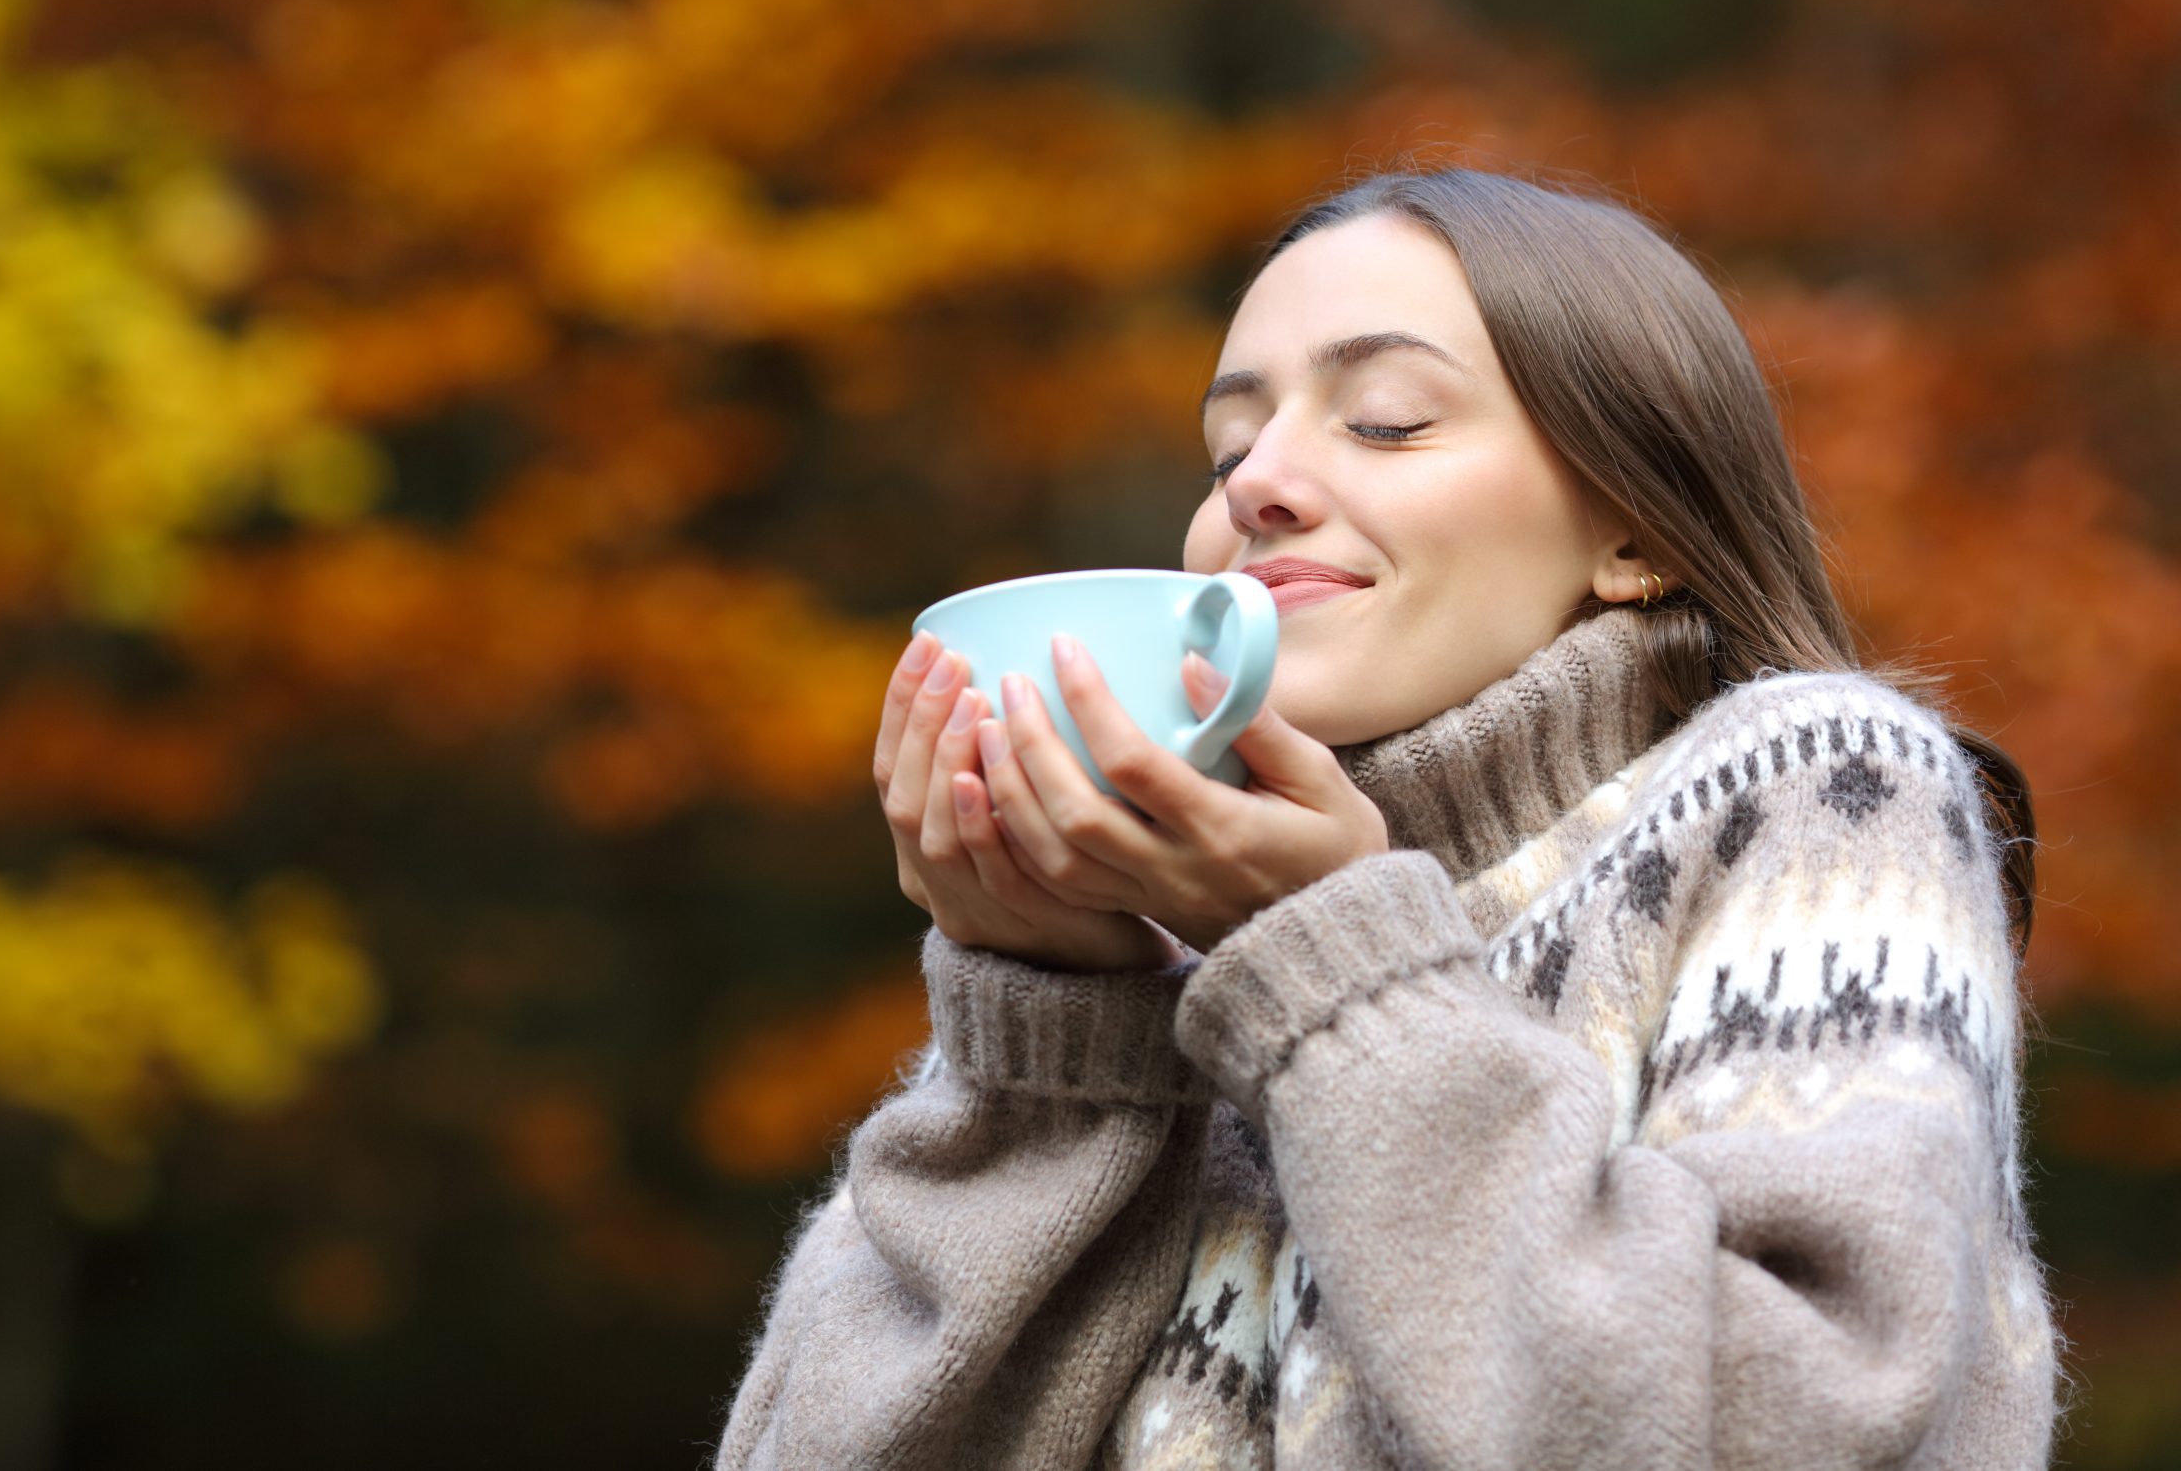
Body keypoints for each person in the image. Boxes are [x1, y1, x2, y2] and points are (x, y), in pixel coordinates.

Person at [713, 166, 2060, 1469]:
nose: (1256, 485)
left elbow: (1804, 1433)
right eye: (1230, 446)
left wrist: (1341, 982)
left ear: (1638, 531)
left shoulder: (1813, 787)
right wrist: (1052, 1046)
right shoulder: (1169, 961)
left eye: (1388, 419)